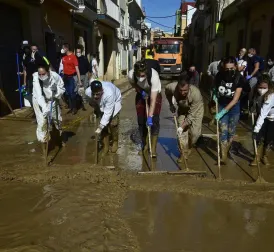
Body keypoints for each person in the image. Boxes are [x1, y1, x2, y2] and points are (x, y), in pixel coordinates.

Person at [165, 74, 204, 162]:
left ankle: (190, 146)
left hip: (196, 111)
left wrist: (182, 127)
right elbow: (167, 92)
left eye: (185, 90)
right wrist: (171, 104)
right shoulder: (171, 87)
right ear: (177, 86)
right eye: (180, 90)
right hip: (182, 109)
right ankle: (183, 152)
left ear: (189, 86)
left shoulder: (196, 93)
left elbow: (191, 117)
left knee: (194, 134)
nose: (183, 93)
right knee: (181, 134)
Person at [214, 56, 245, 164]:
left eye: (231, 68)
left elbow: (235, 99)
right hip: (222, 104)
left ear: (236, 67)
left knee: (231, 132)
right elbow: (215, 87)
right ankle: (223, 156)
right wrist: (214, 95)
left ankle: (227, 149)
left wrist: (221, 113)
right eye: (226, 69)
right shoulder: (219, 76)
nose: (229, 71)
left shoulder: (239, 78)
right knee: (223, 131)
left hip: (234, 108)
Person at [128, 60, 162, 157]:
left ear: (146, 72)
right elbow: (133, 84)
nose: (141, 78)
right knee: (141, 121)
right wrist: (140, 91)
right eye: (139, 75)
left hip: (155, 93)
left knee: (154, 120)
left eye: (143, 76)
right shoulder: (131, 75)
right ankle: (145, 146)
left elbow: (153, 99)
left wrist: (150, 116)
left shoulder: (154, 76)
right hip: (141, 92)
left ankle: (153, 148)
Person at [32, 63, 66, 156]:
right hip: (38, 102)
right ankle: (45, 150)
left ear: (48, 72)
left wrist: (57, 92)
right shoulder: (36, 79)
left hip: (52, 100)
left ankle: (59, 139)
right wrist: (44, 107)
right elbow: (39, 95)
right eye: (40, 74)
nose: (41, 76)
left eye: (44, 74)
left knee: (56, 120)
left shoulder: (55, 76)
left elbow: (62, 88)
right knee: (42, 123)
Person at [85, 80, 122, 154]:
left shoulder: (109, 94)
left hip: (114, 102)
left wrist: (101, 126)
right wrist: (95, 107)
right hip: (99, 104)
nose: (95, 96)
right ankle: (106, 146)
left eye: (97, 94)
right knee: (104, 127)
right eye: (94, 94)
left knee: (112, 123)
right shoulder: (88, 92)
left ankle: (115, 141)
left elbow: (108, 113)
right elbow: (90, 101)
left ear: (102, 90)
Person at [252, 74, 274, 166]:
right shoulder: (255, 93)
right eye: (260, 87)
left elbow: (263, 113)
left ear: (269, 86)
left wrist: (256, 129)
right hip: (262, 117)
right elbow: (254, 105)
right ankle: (256, 157)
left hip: (272, 119)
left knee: (269, 138)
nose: (261, 89)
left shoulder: (271, 95)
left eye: (264, 87)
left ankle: (264, 156)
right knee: (258, 138)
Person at [61, 43, 82, 115]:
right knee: (67, 93)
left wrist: (79, 80)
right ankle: (71, 107)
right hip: (65, 77)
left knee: (72, 93)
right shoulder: (63, 57)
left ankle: (74, 108)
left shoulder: (73, 57)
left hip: (72, 77)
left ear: (66, 48)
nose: (62, 49)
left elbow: (77, 69)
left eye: (63, 48)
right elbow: (63, 68)